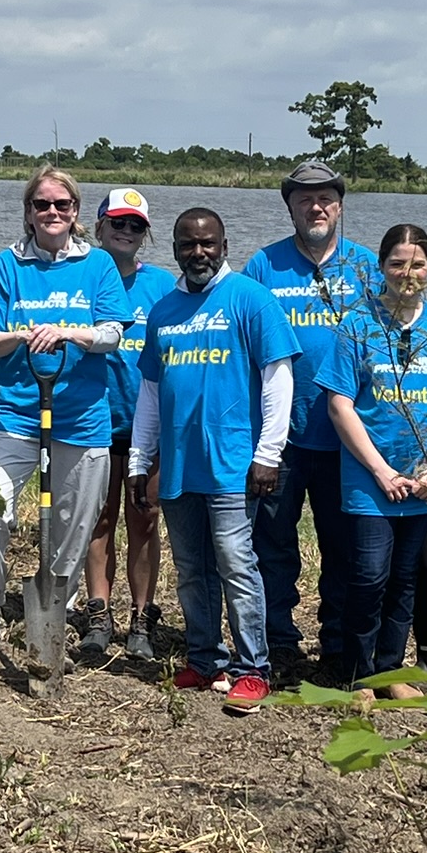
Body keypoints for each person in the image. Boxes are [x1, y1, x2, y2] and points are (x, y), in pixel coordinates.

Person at [128, 208, 300, 714]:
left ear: (224, 245)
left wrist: (269, 453)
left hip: (233, 464)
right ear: (175, 248)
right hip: (181, 466)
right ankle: (205, 659)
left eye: (207, 243)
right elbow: (151, 395)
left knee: (236, 565)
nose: (197, 252)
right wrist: (141, 459)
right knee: (190, 569)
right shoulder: (164, 311)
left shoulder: (250, 300)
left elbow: (278, 381)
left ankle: (253, 668)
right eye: (187, 244)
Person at [0, 167, 132, 663]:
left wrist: (69, 332)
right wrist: (22, 336)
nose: (52, 213)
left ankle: (56, 602)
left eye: (61, 204)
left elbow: (112, 335)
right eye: (42, 204)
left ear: (76, 212)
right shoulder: (6, 266)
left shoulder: (97, 265)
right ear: (29, 212)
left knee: (71, 523)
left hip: (81, 419)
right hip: (16, 415)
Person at [318, 224, 427, 691]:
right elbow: (339, 404)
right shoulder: (356, 326)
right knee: (368, 577)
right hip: (372, 482)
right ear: (381, 268)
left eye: (418, 264)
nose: (407, 273)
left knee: (405, 580)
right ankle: (357, 673)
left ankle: (392, 669)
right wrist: (381, 470)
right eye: (397, 264)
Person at [244, 160, 381, 681]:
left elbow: (392, 340)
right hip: (282, 437)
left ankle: (338, 646)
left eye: (325, 197)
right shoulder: (264, 267)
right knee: (273, 547)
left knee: (343, 550)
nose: (315, 206)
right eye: (304, 199)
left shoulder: (367, 267)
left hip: (349, 439)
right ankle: (277, 641)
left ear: (340, 206)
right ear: (290, 207)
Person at [81, 188, 175, 660]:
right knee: (97, 519)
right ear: (97, 226)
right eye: (117, 221)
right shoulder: (83, 275)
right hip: (92, 419)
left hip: (147, 425)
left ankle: (142, 615)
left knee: (144, 517)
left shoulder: (162, 285)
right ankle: (98, 611)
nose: (125, 230)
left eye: (136, 224)